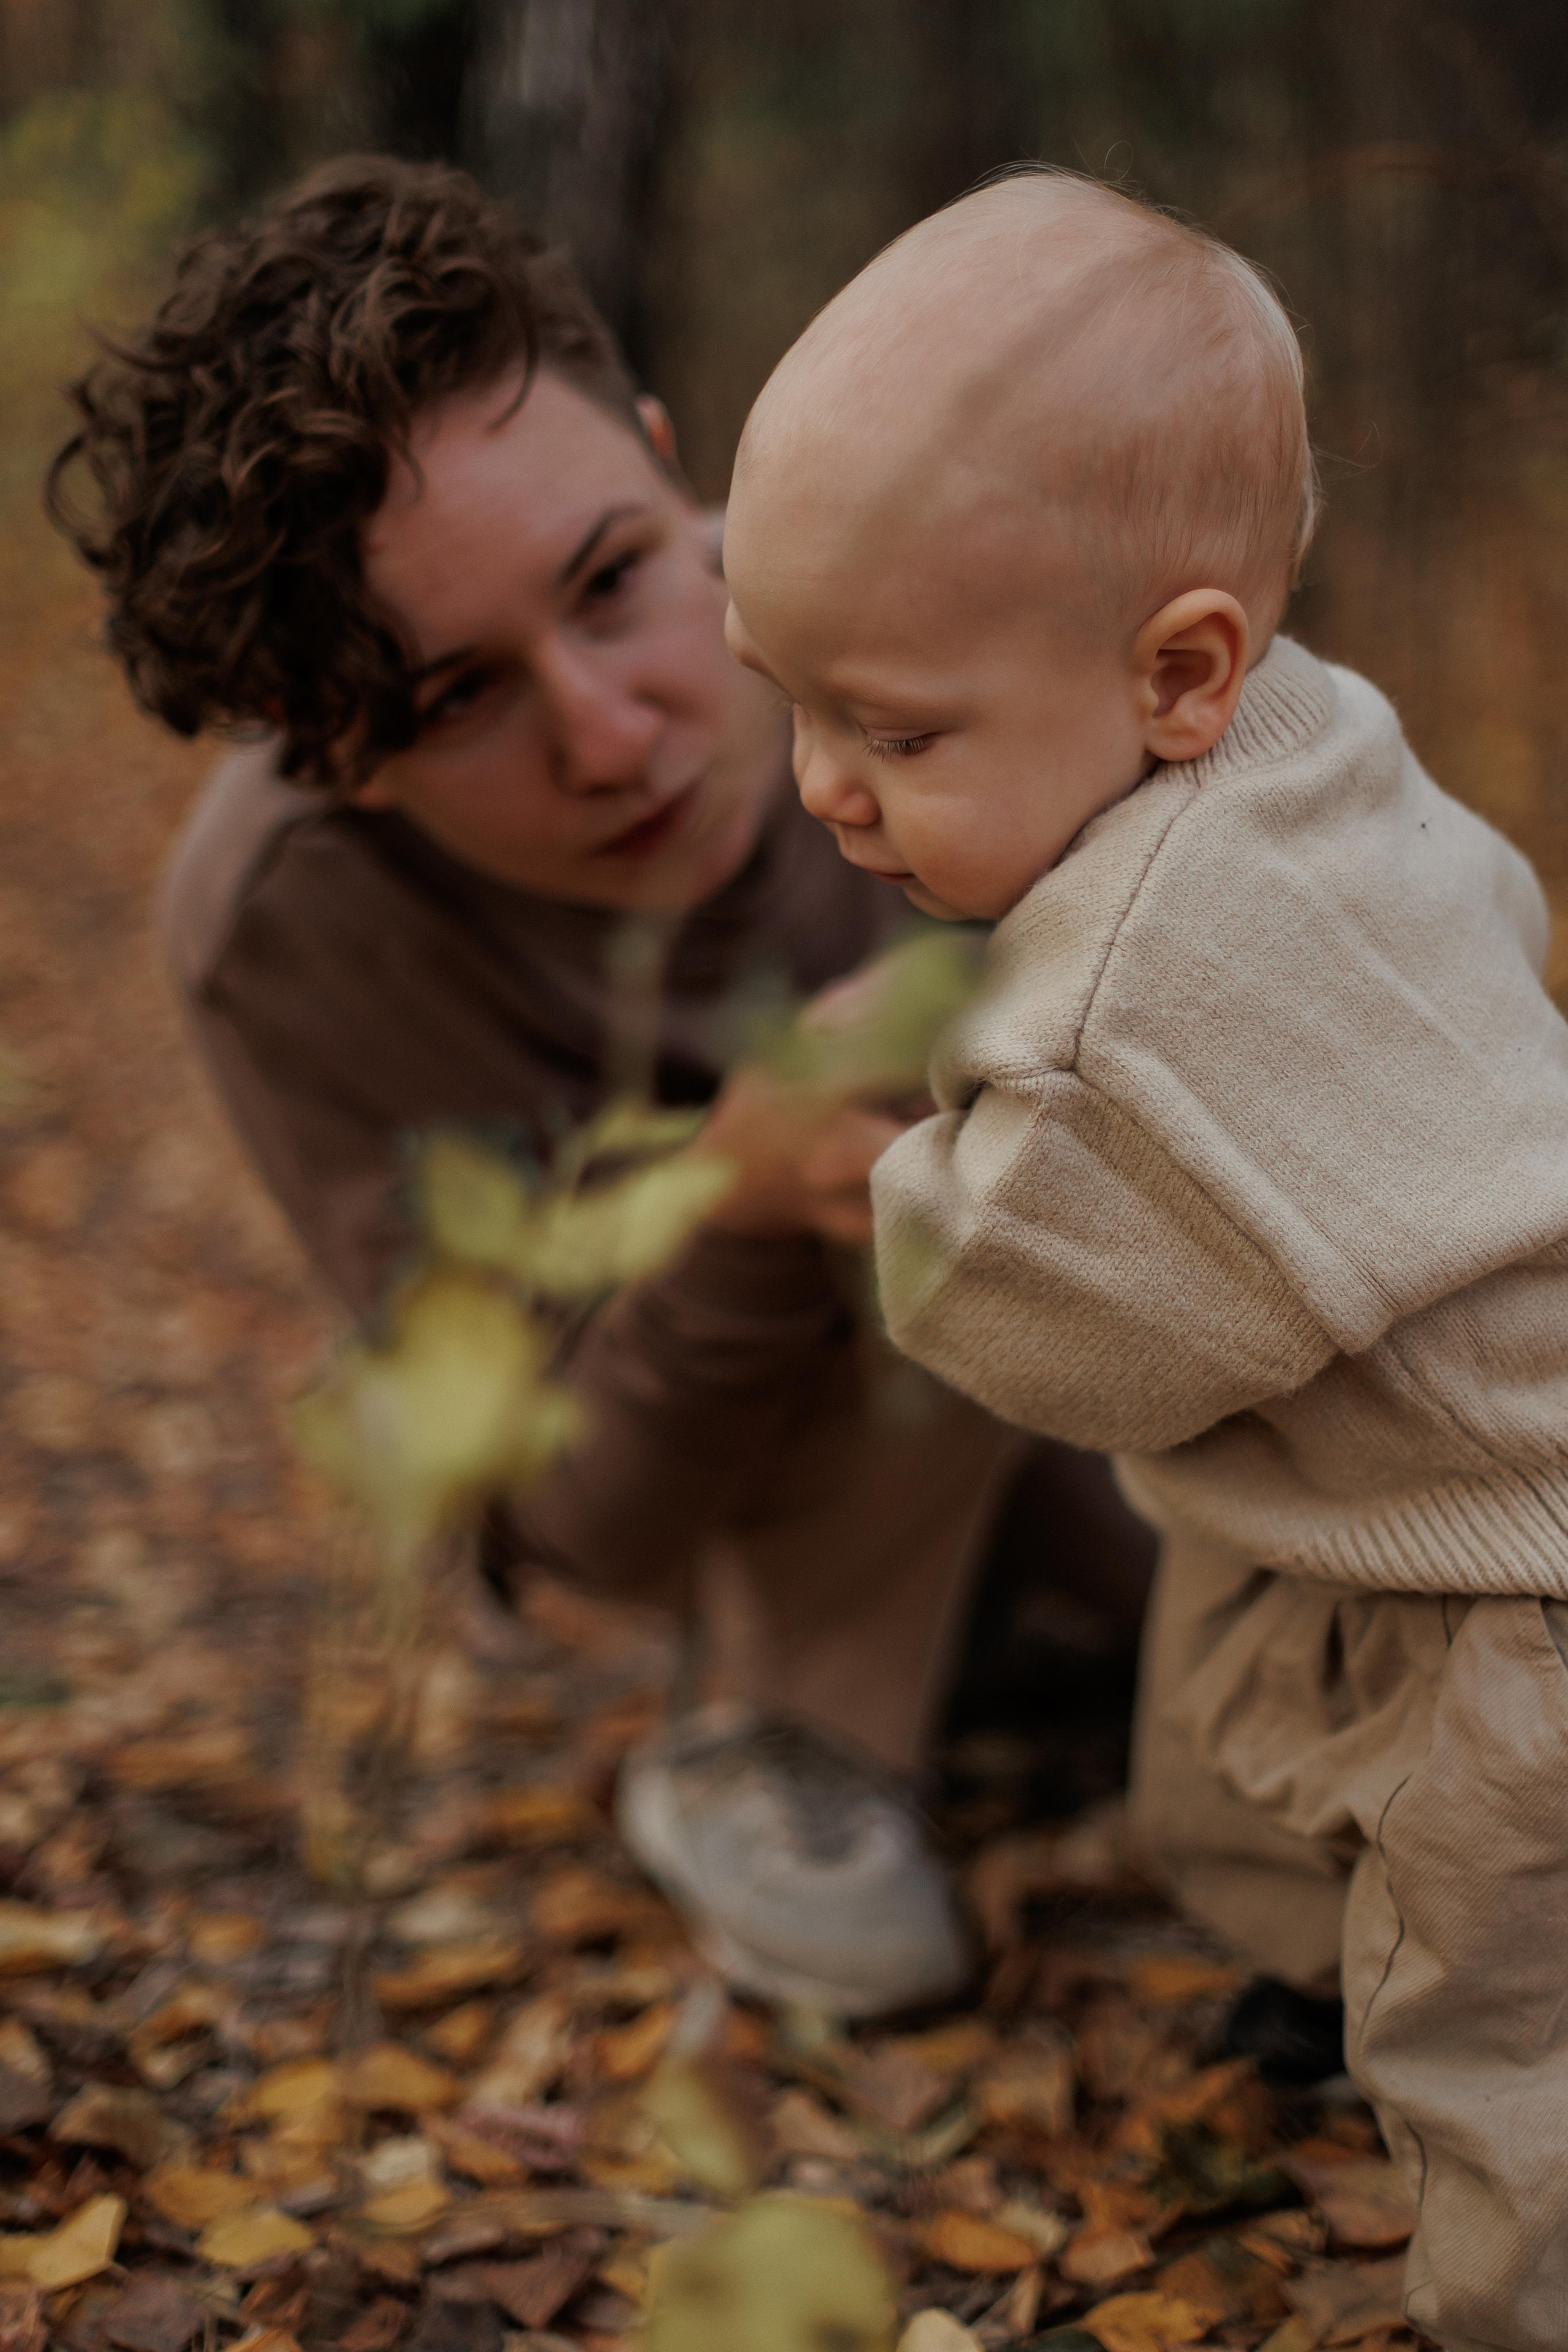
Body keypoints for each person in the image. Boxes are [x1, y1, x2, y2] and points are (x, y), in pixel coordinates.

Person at [47, 156, 1155, 2019]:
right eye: (452, 702)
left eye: (618, 579)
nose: (610, 731)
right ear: (329, 765)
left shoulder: (949, 616)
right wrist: (729, 1203)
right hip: (782, 1460)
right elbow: (576, 1527)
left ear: (663, 456)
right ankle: (784, 1746)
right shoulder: (286, 934)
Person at [723, 164, 1568, 2346]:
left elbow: (1040, 1324)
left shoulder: (1117, 1023)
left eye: (896, 733)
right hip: (1394, 1499)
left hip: (1522, 1598)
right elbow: (1496, 929)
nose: (822, 786)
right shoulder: (1322, 738)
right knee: (1229, 1739)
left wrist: (886, 1172)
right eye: (791, 701)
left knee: (1518, 2040)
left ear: (1176, 668)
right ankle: (1307, 1976)